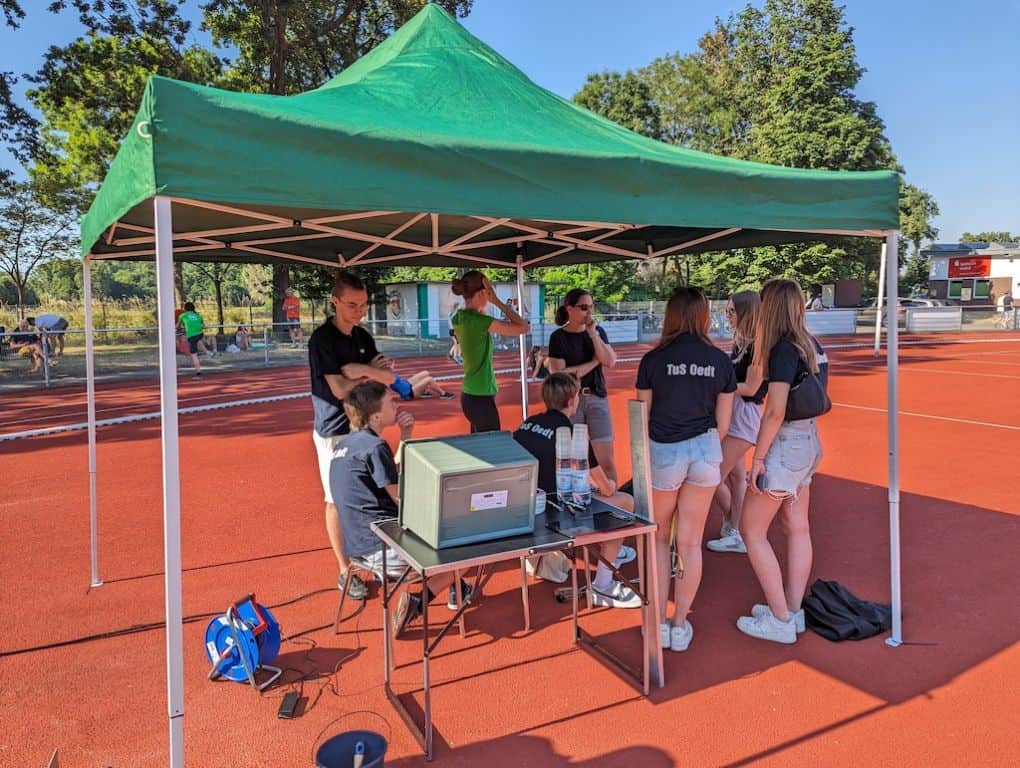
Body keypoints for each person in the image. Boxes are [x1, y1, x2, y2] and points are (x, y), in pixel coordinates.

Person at [309, 272, 453, 603]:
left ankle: (379, 554)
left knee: (377, 491)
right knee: (335, 499)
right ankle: (345, 569)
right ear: (335, 301)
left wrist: (365, 371)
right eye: (352, 305)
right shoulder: (322, 340)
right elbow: (339, 389)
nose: (359, 311)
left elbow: (384, 379)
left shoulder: (362, 335)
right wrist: (369, 373)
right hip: (334, 428)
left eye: (363, 304)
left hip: (363, 425)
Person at [635, 286, 736, 652]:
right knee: (690, 543)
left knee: (660, 538)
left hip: (665, 450)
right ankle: (679, 626)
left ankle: (657, 623)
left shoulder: (653, 360)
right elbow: (723, 424)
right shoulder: (720, 361)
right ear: (704, 316)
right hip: (705, 449)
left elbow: (642, 416)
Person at [328, 381, 462, 637]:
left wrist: (406, 434)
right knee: (464, 547)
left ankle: (457, 584)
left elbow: (390, 471)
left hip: (356, 547)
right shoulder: (374, 447)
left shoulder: (346, 445)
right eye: (390, 402)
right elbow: (402, 498)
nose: (396, 405)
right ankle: (419, 602)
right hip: (384, 548)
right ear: (376, 416)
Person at [737, 278, 829, 645]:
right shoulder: (810, 344)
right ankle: (791, 610)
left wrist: (758, 459)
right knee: (798, 527)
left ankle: (779, 619)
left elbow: (774, 410)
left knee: (751, 530)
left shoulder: (782, 350)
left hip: (787, 443)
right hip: (809, 441)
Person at [513, 372, 640, 608]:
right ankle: (603, 585)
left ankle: (613, 550)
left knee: (591, 493)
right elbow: (606, 487)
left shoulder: (528, 423)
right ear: (572, 400)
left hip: (527, 509)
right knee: (624, 503)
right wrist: (610, 487)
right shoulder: (571, 432)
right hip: (554, 514)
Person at [706, 291, 766, 554]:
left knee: (711, 476)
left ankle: (736, 527)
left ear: (746, 312)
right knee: (736, 476)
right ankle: (735, 529)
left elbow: (752, 387)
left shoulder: (758, 344)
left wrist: (717, 385)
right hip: (733, 411)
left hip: (743, 415)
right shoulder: (742, 340)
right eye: (727, 310)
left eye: (732, 311)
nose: (728, 315)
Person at [547, 289, 619, 483]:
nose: (589, 312)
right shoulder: (558, 337)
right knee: (574, 459)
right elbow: (559, 374)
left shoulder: (598, 332)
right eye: (584, 307)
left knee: (606, 460)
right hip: (571, 401)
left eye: (591, 307)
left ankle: (613, 497)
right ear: (569, 309)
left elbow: (610, 361)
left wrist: (593, 335)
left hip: (596, 397)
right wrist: (594, 362)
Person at [450, 271, 530, 433]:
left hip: (470, 394)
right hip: (480, 397)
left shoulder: (459, 317)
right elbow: (523, 327)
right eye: (489, 291)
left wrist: (485, 298)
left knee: (480, 444)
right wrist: (497, 301)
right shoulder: (480, 322)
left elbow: (475, 314)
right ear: (482, 293)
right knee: (493, 444)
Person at [176, 302, 213, 377]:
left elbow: (177, 326)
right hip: (200, 334)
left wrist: (181, 328)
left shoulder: (183, 315)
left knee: (194, 355)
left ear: (185, 309)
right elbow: (204, 326)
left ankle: (198, 372)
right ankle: (207, 351)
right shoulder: (198, 315)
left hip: (191, 336)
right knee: (198, 340)